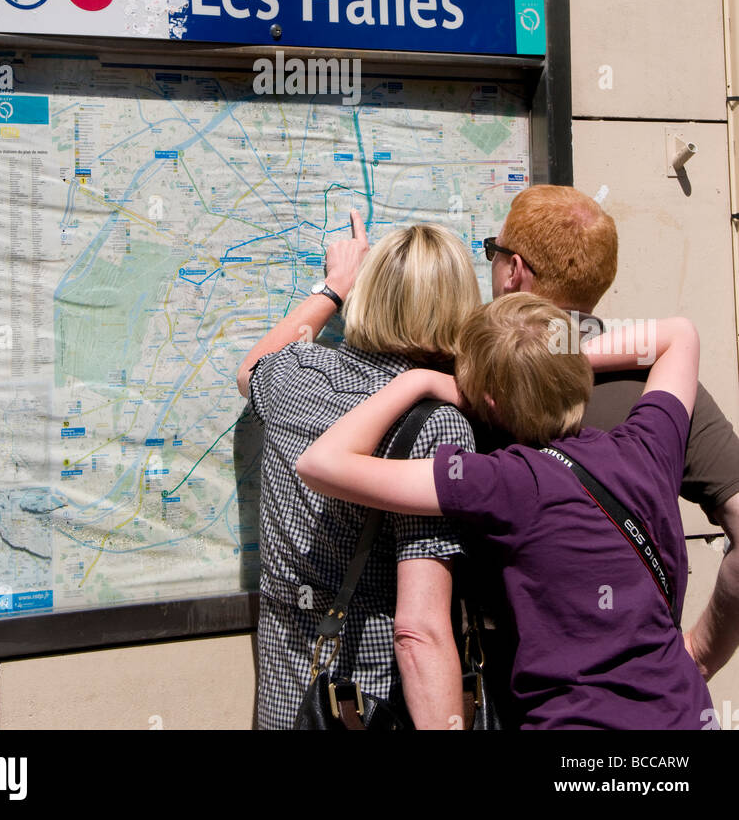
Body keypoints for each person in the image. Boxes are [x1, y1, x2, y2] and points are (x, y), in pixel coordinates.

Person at [297, 294, 716, 730]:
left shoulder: (506, 483)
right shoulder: (648, 446)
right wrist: (549, 365)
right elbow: (679, 335)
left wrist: (417, 382)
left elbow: (319, 464)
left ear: (489, 404)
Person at [485, 184, 739, 682]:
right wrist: (700, 654)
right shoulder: (666, 385)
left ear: (514, 271)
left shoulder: (471, 384)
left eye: (492, 254)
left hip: (510, 696)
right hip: (646, 696)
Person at [236, 212, 480, 730]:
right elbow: (420, 632)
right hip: (373, 710)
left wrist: (334, 286)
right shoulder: (439, 427)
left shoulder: (294, 375)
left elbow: (250, 368)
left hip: (288, 709)